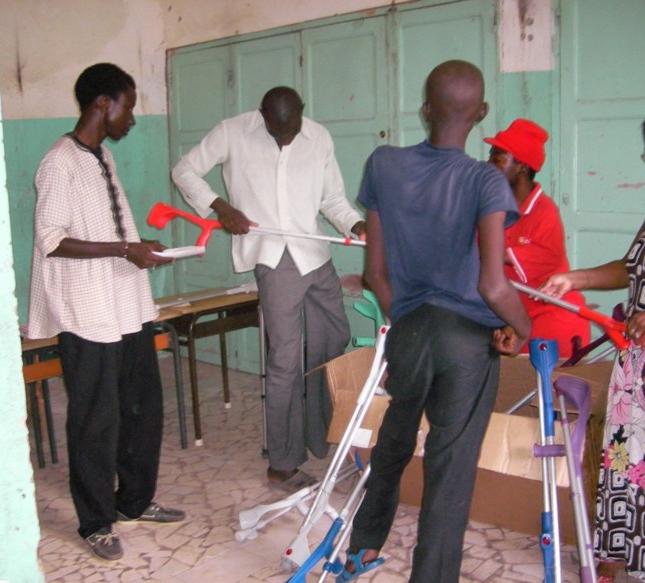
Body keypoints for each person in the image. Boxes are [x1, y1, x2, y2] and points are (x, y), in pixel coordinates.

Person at [337, 60, 531, 583]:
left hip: (408, 329)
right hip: (466, 343)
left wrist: (406, 318)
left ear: (426, 109)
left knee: (396, 438)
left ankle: (363, 549)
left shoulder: (382, 164)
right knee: (449, 469)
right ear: (482, 113)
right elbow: (494, 286)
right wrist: (525, 327)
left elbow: (374, 273)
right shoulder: (486, 180)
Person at [171, 87, 366, 491]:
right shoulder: (232, 132)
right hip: (274, 261)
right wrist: (221, 208)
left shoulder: (319, 138)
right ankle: (283, 461)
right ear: (262, 116)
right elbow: (184, 170)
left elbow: (333, 200)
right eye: (277, 133)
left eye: (291, 131)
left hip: (315, 254)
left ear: (302, 116)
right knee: (285, 361)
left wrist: (356, 226)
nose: (285, 140)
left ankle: (318, 432)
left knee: (335, 339)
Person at [27, 63, 185, 561]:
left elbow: (112, 231)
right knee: (96, 420)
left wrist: (137, 247)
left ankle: (134, 502)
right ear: (103, 104)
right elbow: (52, 241)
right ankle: (95, 521)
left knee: (142, 408)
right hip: (86, 311)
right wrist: (123, 250)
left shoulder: (102, 158)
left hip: (125, 306)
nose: (132, 118)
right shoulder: (59, 162)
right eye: (129, 106)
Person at [539, 87, 645, 582]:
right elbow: (632, 266)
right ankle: (630, 555)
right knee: (631, 461)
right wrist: (576, 278)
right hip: (638, 369)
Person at [485, 118, 591, 357]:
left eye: (497, 158)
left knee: (550, 390)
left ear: (521, 166)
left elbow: (490, 255)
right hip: (514, 317)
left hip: (551, 317)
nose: (488, 164)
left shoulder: (545, 214)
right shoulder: (492, 207)